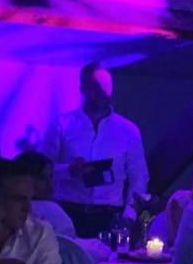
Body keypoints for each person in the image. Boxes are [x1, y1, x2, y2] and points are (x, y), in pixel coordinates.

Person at [41, 62, 149, 238]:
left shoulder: (128, 130)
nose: (100, 92)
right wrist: (68, 170)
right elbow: (41, 169)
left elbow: (139, 175)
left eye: (105, 85)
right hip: (68, 212)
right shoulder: (62, 125)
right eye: (94, 86)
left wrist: (129, 215)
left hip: (109, 215)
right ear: (83, 88)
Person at [13, 150, 76, 239]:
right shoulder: (51, 210)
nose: (50, 184)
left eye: (51, 176)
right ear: (23, 180)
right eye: (41, 178)